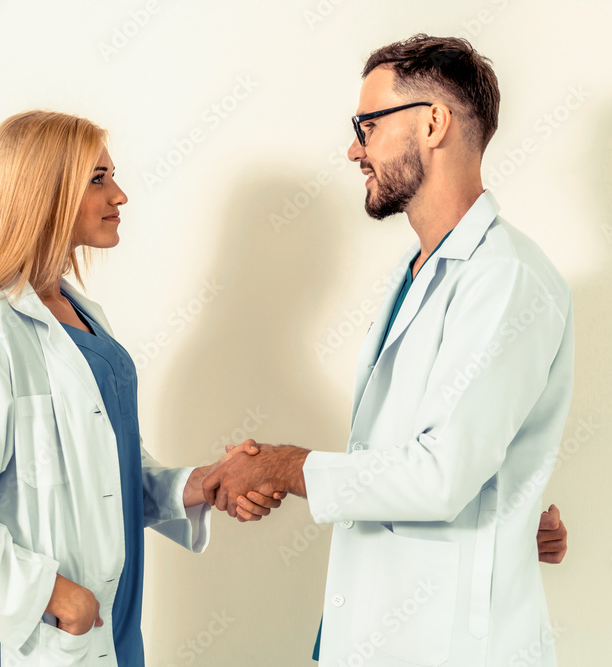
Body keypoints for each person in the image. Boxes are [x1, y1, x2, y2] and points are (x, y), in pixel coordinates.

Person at [203, 34, 574, 665]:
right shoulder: (422, 270)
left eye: (367, 126)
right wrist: (512, 513)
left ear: (433, 123)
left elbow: (439, 477)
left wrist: (282, 466)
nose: (354, 149)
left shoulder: (504, 278)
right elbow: (450, 464)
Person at [0, 110, 284, 667]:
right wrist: (56, 596)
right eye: (98, 179)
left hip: (114, 619)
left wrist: (197, 485)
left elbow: (103, 472)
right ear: (45, 194)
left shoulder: (83, 317)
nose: (121, 195)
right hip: (47, 630)